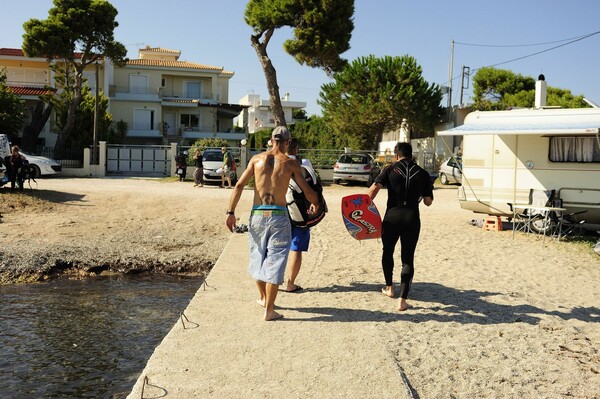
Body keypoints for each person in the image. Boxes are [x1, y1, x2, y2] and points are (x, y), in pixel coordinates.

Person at [225, 126, 319, 321]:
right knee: (275, 261)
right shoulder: (290, 164)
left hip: (258, 215)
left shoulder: (256, 159)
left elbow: (239, 185)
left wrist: (231, 212)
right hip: (278, 216)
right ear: (287, 142)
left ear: (271, 140)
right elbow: (306, 190)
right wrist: (316, 203)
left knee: (258, 256)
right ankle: (269, 310)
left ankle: (263, 298)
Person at [367, 142, 433, 311]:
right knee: (408, 258)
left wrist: (362, 208)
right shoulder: (423, 173)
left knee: (387, 251)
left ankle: (389, 288)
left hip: (392, 218)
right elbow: (428, 202)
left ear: (396, 155)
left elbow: (373, 190)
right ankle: (402, 301)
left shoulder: (390, 169)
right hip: (412, 218)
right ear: (411, 155)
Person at [285, 138, 317, 293]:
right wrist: (315, 204)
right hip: (299, 212)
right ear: (296, 149)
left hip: (279, 210)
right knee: (296, 247)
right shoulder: (303, 164)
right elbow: (311, 188)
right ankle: (290, 283)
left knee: (275, 247)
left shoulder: (273, 163)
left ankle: (272, 282)